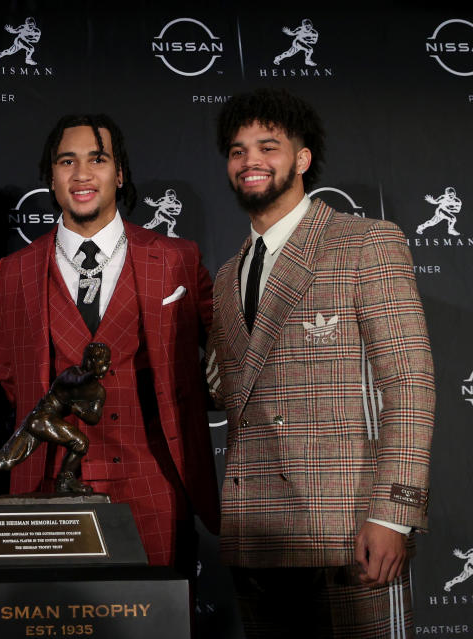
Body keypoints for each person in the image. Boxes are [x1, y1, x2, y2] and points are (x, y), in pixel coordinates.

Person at [208, 88, 434, 638]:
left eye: (268, 146)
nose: (251, 161)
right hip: (254, 533)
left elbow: (409, 384)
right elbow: (232, 394)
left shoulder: (364, 244)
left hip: (347, 529)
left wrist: (392, 514)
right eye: (238, 151)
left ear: (302, 158)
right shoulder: (224, 276)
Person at [0, 113, 220, 571]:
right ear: (51, 178)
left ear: (119, 174)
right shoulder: (12, 271)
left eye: (96, 159)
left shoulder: (177, 259)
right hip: (50, 489)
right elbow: (10, 379)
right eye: (66, 161)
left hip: (156, 485)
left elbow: (224, 354)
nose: (81, 175)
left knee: (160, 624)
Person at [0, 342, 111, 496]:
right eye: (98, 361)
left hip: (44, 422)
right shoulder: (72, 373)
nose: (104, 366)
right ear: (88, 360)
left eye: (106, 363)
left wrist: (78, 411)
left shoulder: (99, 392)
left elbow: (94, 418)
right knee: (79, 442)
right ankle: (65, 480)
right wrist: (92, 374)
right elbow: (78, 383)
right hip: (42, 417)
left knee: (9, 459)